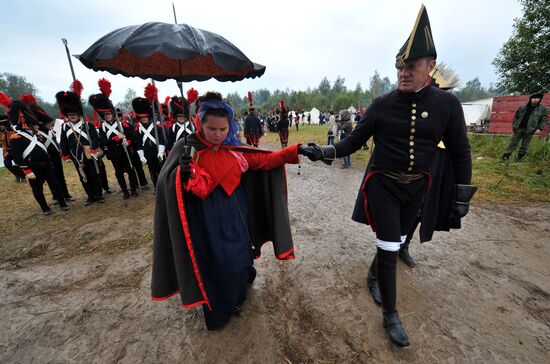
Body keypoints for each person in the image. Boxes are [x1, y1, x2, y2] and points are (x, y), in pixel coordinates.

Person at [300, 5, 475, 347]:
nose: (404, 72)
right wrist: (323, 151)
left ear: (430, 67)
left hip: (418, 188)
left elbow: (460, 152)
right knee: (388, 243)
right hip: (383, 185)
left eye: (412, 66)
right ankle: (390, 315)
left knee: (395, 244)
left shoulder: (447, 106)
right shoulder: (381, 105)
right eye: (400, 66)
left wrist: (460, 196)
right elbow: (352, 142)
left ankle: (374, 272)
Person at [151, 91, 310, 330]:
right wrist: (181, 173)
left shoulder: (235, 148)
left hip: (237, 214)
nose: (218, 135)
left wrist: (295, 151)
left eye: (223, 129)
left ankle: (238, 294)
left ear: (231, 126)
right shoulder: (186, 149)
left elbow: (264, 160)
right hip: (206, 220)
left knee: (240, 257)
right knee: (216, 264)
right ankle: (221, 310)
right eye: (212, 129)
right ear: (200, 123)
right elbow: (167, 182)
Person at [7, 99, 69, 215]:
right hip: (32, 167)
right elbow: (17, 157)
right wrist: (26, 170)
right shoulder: (16, 138)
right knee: (37, 189)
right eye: (35, 124)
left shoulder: (38, 135)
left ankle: (63, 203)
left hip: (46, 164)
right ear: (28, 124)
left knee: (55, 184)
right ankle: (45, 208)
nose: (37, 126)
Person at [90, 90, 139, 200]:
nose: (107, 116)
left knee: (130, 170)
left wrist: (128, 142)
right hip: (113, 153)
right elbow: (103, 142)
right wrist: (116, 138)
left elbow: (132, 136)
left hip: (124, 150)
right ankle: (125, 191)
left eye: (109, 114)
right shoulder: (101, 128)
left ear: (112, 114)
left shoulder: (121, 124)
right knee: (119, 173)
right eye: (105, 114)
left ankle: (133, 190)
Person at [58, 90, 104, 206]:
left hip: (90, 153)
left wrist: (93, 149)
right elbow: (63, 143)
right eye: (70, 115)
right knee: (83, 176)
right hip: (76, 156)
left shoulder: (88, 125)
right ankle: (90, 196)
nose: (72, 116)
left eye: (74, 114)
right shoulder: (65, 127)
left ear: (79, 115)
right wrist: (66, 155)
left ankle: (99, 195)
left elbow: (95, 138)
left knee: (94, 175)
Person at [27, 98, 75, 203]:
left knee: (61, 177)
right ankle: (56, 196)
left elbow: (55, 143)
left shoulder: (49, 131)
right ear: (42, 123)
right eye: (48, 122)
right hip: (48, 159)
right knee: (52, 180)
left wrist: (60, 150)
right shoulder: (39, 134)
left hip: (56, 157)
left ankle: (66, 194)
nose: (50, 124)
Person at [502, 92, 548, 162]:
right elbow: (516, 117)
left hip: (530, 130)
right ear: (531, 98)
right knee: (513, 142)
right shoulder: (522, 107)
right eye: (534, 98)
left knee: (525, 145)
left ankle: (519, 158)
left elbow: (544, 120)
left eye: (538, 98)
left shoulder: (542, 109)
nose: (536, 99)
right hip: (519, 128)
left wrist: (539, 128)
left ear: (540, 99)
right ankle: (506, 156)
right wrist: (515, 125)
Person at [133, 97, 166, 189]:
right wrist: (141, 156)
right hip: (148, 152)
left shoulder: (156, 126)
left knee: (161, 169)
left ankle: (163, 186)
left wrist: (161, 151)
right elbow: (139, 143)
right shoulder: (138, 129)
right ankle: (156, 187)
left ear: (148, 117)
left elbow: (161, 140)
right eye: (142, 117)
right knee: (152, 171)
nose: (143, 119)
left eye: (145, 117)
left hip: (157, 150)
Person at [0, 114, 27, 183]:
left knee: (18, 163)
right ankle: (18, 175)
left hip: (15, 151)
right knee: (7, 164)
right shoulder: (0, 133)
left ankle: (22, 176)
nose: (1, 126)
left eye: (2, 124)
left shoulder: (13, 132)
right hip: (6, 152)